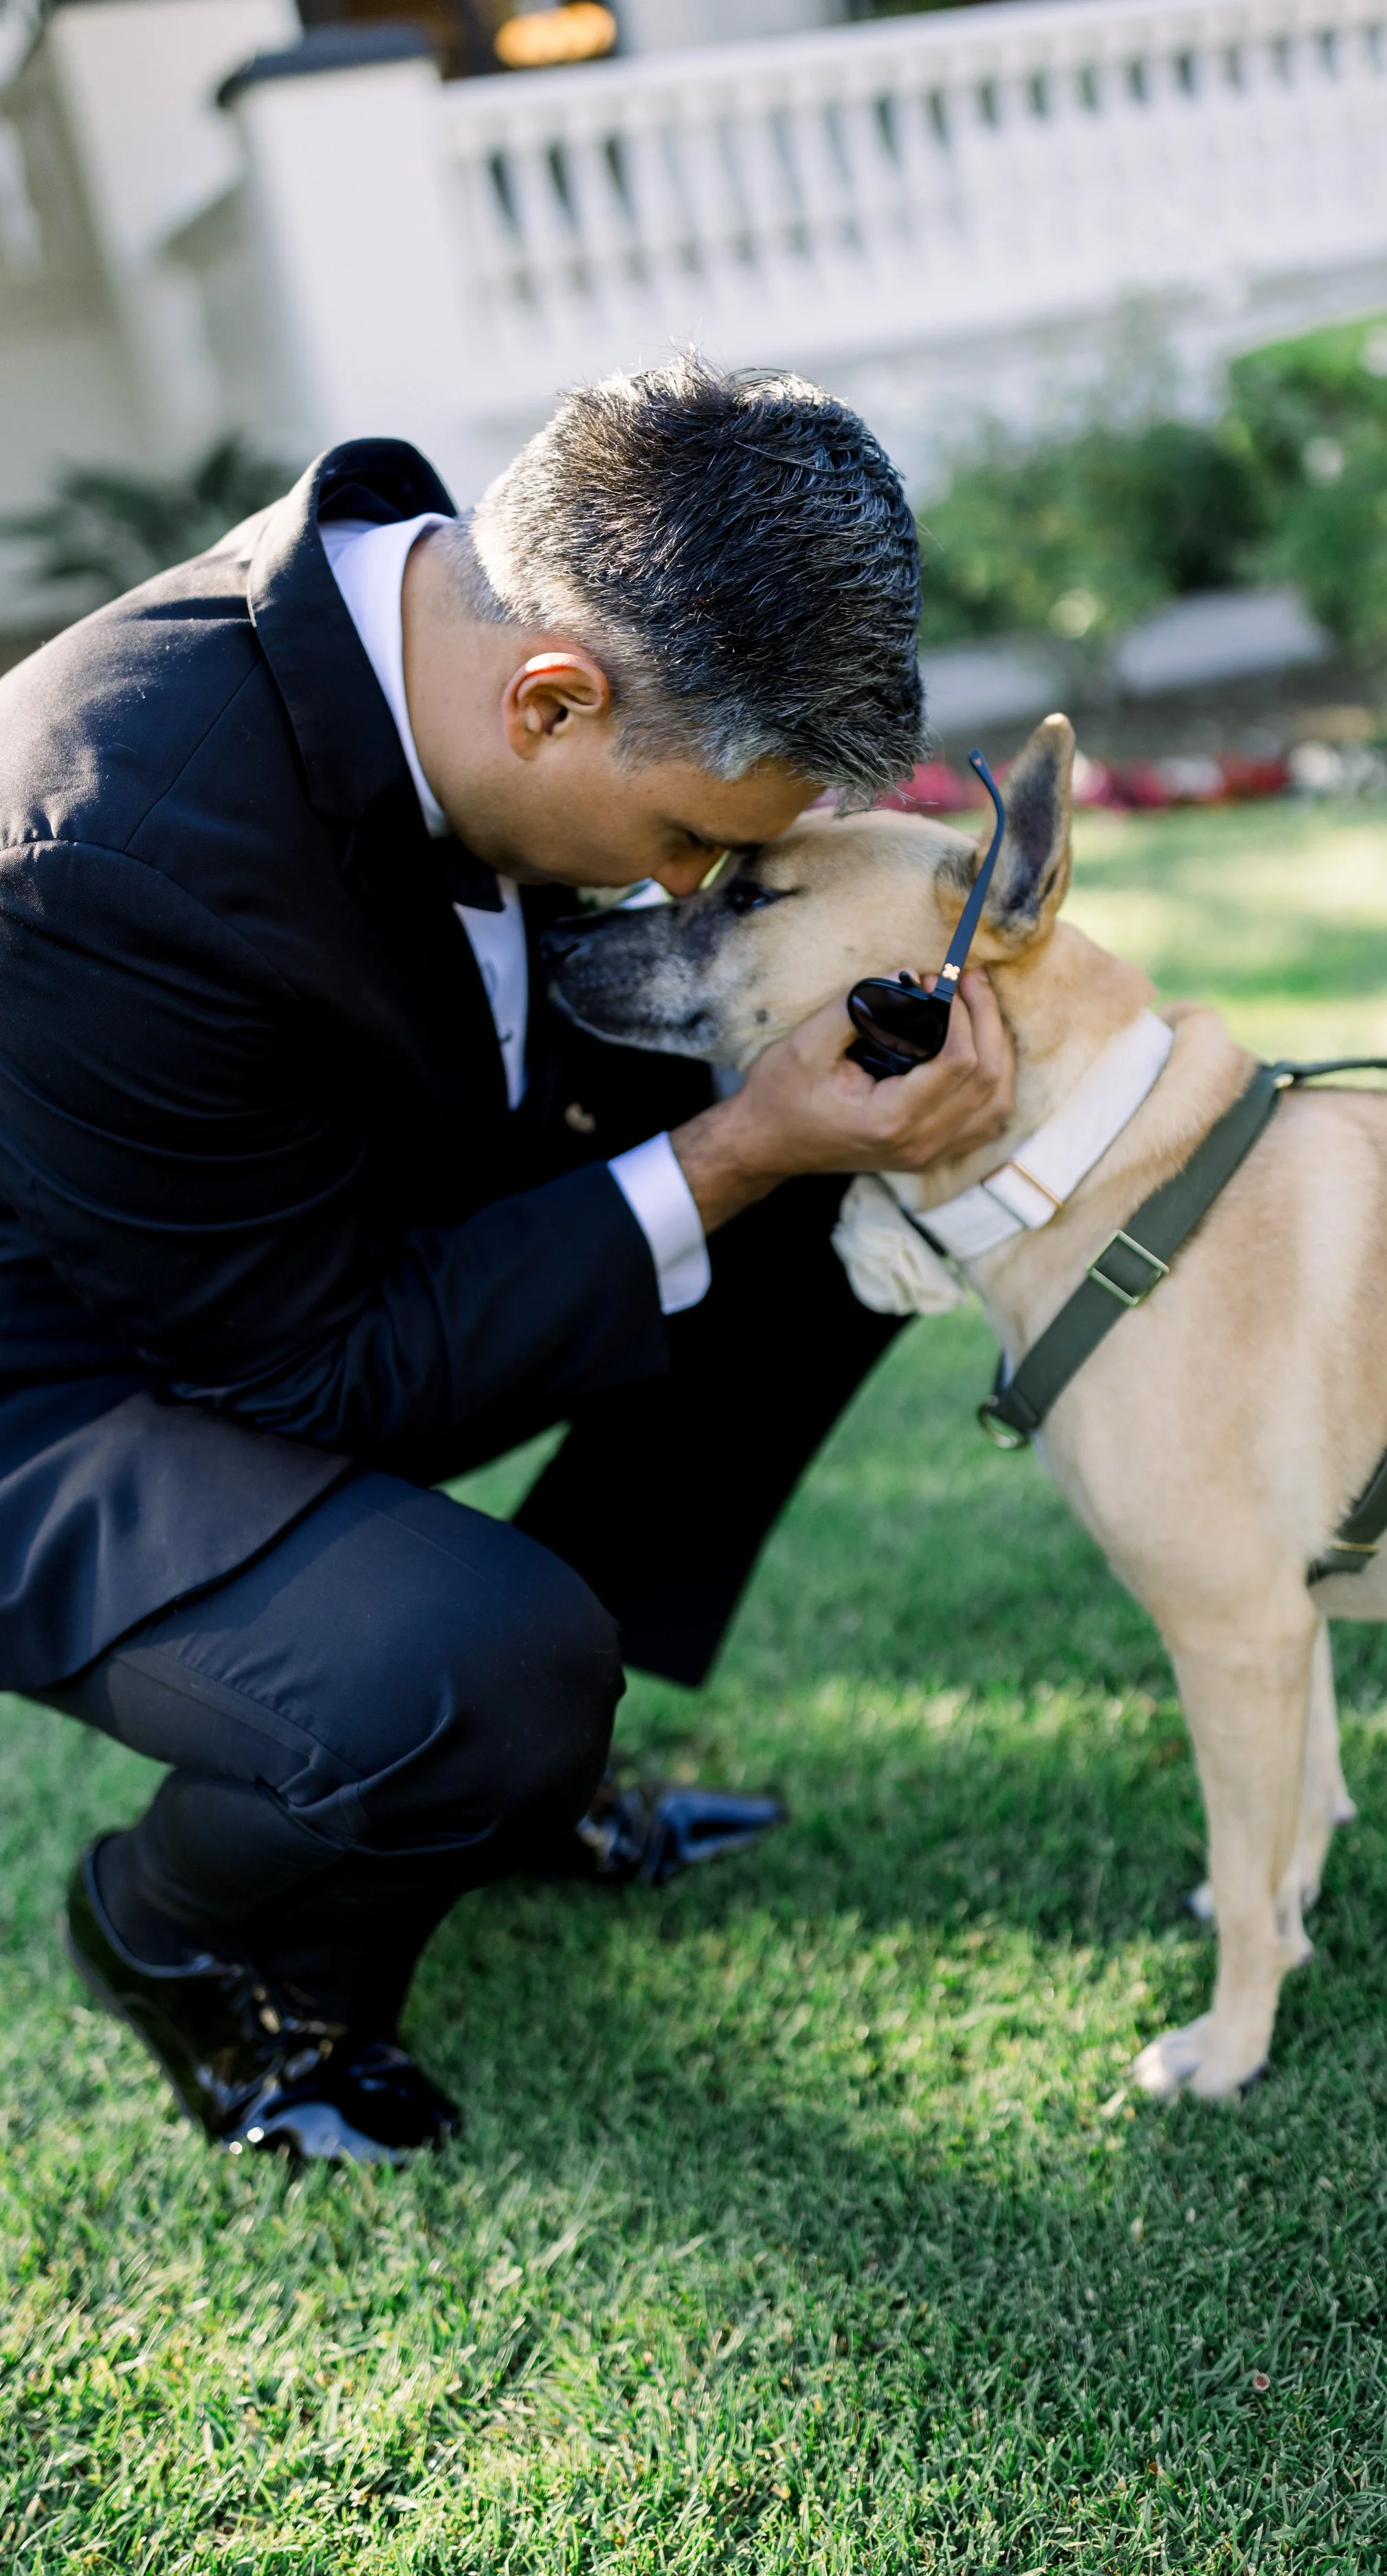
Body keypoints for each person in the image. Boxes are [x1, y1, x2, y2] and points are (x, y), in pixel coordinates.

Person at [0, 359, 1013, 2164]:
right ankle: (185, 1931)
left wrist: (795, 1123)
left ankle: (514, 1797)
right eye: (689, 842)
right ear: (549, 699)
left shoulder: (452, 650)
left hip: (289, 1236)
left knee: (828, 1203)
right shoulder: (113, 853)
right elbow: (305, 1377)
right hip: (59, 1394)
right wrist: (728, 1145)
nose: (695, 889)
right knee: (483, 1669)